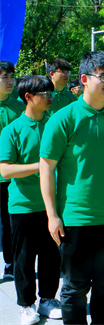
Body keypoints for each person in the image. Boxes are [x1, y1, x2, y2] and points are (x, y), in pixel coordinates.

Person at [39, 51, 104, 324]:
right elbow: (47, 168)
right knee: (75, 288)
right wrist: (52, 215)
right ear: (84, 79)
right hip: (76, 219)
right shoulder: (63, 119)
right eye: (103, 76)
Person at [0, 76, 62, 325]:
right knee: (24, 259)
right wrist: (41, 166)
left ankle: (48, 299)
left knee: (51, 256)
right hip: (23, 205)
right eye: (45, 94)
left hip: (53, 205)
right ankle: (26, 305)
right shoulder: (12, 130)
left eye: (51, 93)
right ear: (28, 97)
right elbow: (5, 170)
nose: (50, 98)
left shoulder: (55, 125)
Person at [0, 61, 23, 280]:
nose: (10, 81)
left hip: (12, 176)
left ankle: (11, 263)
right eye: (4, 77)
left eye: (11, 77)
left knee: (10, 222)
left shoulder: (19, 107)